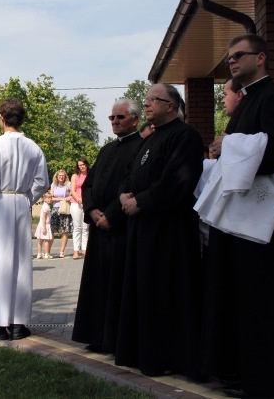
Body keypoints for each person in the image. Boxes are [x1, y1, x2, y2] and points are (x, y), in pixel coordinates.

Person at [203, 34, 274, 397]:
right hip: (238, 215)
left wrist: (229, 145)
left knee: (261, 298)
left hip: (262, 219)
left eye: (239, 56)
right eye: (229, 58)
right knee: (236, 295)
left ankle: (267, 377)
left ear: (261, 57)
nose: (232, 62)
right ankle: (239, 370)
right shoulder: (247, 102)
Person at [115, 84, 204, 379]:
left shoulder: (185, 136)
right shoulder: (149, 138)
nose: (148, 104)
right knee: (143, 291)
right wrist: (124, 196)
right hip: (142, 228)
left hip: (169, 231)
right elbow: (131, 173)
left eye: (154, 99)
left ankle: (167, 357)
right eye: (147, 99)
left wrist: (141, 201)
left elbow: (178, 180)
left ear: (172, 105)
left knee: (165, 292)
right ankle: (143, 353)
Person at [0, 97, 49, 341]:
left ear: (1, 118)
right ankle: (18, 323)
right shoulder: (33, 147)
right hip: (20, 205)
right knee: (19, 264)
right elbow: (42, 182)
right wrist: (26, 199)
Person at [71, 98, 142, 353]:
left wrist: (110, 215)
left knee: (117, 284)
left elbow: (131, 185)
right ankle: (96, 334)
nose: (115, 122)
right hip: (98, 228)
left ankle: (114, 338)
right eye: (112, 118)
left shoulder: (140, 148)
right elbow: (88, 185)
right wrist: (90, 209)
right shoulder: (106, 150)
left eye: (120, 117)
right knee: (97, 284)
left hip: (119, 229)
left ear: (135, 119)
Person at [69, 158, 90, 259]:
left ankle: (85, 249)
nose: (81, 167)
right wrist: (78, 199)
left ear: (86, 165)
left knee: (85, 227)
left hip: (87, 203)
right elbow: (72, 191)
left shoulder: (90, 175)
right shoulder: (75, 176)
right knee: (77, 227)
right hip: (76, 203)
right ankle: (76, 250)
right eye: (79, 165)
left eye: (83, 164)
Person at [50, 170, 72, 258]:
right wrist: (62, 199)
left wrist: (63, 199)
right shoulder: (53, 184)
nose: (61, 177)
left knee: (64, 230)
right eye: (60, 175)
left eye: (63, 175)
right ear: (57, 176)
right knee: (52, 230)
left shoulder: (68, 184)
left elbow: (71, 196)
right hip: (55, 208)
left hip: (65, 209)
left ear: (65, 176)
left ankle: (62, 251)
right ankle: (48, 251)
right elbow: (51, 197)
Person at [34, 192, 54, 259]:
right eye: (48, 198)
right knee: (47, 240)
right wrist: (44, 227)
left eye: (50, 198)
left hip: (42, 225)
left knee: (41, 240)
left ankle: (39, 253)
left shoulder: (45, 205)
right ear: (44, 199)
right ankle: (46, 253)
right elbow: (44, 217)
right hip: (45, 225)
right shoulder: (46, 207)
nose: (50, 199)